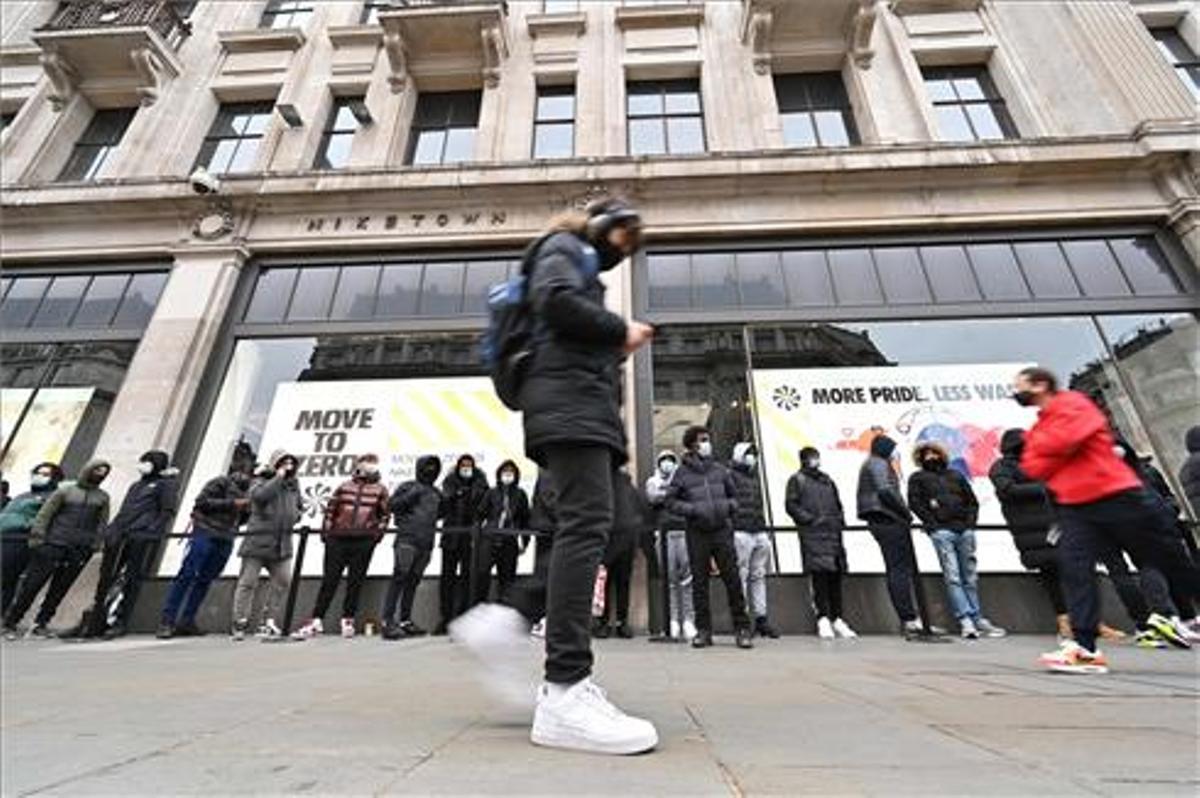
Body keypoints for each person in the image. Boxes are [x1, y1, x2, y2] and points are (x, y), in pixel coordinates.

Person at [449, 197, 658, 755]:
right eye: (620, 235)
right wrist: (621, 331)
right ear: (598, 226)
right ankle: (566, 688)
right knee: (589, 524)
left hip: (580, 405)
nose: (623, 248)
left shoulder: (583, 262)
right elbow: (556, 301)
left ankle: (508, 618)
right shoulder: (563, 247)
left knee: (618, 525)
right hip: (567, 403)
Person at [1014, 367, 1199, 674]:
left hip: (1116, 496)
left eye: (1020, 386)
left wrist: (1056, 449)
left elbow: (1071, 437)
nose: (1016, 392)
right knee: (1076, 571)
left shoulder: (1074, 403)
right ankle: (1086, 649)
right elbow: (1033, 465)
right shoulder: (1040, 424)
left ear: (1040, 384)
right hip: (1076, 506)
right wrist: (1060, 449)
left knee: (1170, 563)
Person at [906, 441, 1005, 640]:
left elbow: (972, 501)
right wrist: (933, 524)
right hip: (942, 533)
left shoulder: (956, 475)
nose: (931, 457)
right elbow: (915, 503)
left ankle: (977, 618)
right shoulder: (917, 478)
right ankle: (965, 620)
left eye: (935, 452)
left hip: (964, 531)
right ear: (920, 457)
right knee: (953, 577)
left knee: (969, 577)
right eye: (926, 454)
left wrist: (970, 523)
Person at [3, 459, 111, 639]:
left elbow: (102, 523)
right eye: (97, 469)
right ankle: (11, 622)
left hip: (79, 548)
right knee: (32, 585)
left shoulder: (102, 497)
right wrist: (38, 539)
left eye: (104, 471)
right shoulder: (65, 491)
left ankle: (42, 623)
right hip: (53, 544)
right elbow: (46, 514)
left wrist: (95, 544)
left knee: (59, 589)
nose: (100, 473)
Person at [668, 426, 754, 651]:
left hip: (722, 531)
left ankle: (742, 629)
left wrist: (728, 507)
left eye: (707, 439)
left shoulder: (720, 470)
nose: (707, 443)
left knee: (733, 580)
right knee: (699, 583)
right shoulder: (681, 473)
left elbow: (734, 497)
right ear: (692, 445)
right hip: (697, 533)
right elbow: (671, 502)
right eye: (703, 440)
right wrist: (693, 510)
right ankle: (703, 631)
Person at [293, 454, 389, 640]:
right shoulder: (345, 486)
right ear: (358, 465)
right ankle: (316, 620)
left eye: (372, 463)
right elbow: (331, 510)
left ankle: (348, 620)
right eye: (365, 462)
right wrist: (327, 534)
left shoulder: (381, 490)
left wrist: (375, 537)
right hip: (338, 539)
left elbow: (385, 515)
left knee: (355, 581)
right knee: (329, 580)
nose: (368, 466)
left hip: (363, 541)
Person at [88, 450, 179, 639]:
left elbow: (167, 511)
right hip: (120, 535)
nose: (143, 465)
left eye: (148, 462)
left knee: (131, 578)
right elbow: (125, 510)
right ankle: (95, 619)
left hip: (140, 536)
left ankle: (119, 620)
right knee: (107, 578)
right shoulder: (136, 485)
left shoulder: (165, 485)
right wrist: (112, 530)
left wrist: (149, 532)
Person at [158, 460, 252, 638]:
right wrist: (233, 504)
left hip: (226, 536)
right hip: (206, 531)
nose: (246, 474)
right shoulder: (220, 482)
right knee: (187, 574)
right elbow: (202, 502)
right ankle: (167, 621)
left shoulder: (248, 492)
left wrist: (246, 510)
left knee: (206, 579)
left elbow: (243, 519)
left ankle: (187, 620)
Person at [857, 434, 924, 638]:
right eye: (893, 447)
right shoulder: (877, 463)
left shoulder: (875, 463)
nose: (895, 451)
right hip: (887, 519)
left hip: (885, 519)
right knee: (899, 569)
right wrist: (905, 512)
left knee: (900, 568)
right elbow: (885, 490)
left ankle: (913, 618)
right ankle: (909, 618)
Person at [785, 447, 855, 639]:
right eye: (811, 458)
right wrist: (810, 520)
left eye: (816, 457)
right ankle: (823, 618)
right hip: (813, 535)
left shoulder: (827, 480)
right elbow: (791, 505)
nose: (815, 460)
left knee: (835, 576)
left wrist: (839, 521)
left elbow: (838, 504)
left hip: (832, 534)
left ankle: (838, 618)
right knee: (819, 577)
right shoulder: (797, 480)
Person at [231, 450, 301, 641]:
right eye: (284, 462)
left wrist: (295, 515)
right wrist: (277, 478)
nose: (288, 466)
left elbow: (299, 506)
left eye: (291, 462)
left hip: (282, 543)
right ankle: (239, 622)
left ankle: (268, 621)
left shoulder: (293, 485)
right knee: (248, 582)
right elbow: (260, 497)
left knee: (283, 580)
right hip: (258, 541)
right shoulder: (260, 481)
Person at [381, 455, 443, 640]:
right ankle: (387, 621)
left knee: (413, 581)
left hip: (426, 543)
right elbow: (391, 506)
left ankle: (405, 620)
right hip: (407, 540)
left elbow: (439, 514)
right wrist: (412, 495)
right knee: (399, 578)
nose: (430, 470)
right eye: (427, 466)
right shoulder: (408, 486)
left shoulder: (436, 492)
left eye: (434, 467)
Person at [1, 463, 65, 615]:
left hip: (20, 539)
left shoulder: (52, 497)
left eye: (45, 474)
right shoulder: (23, 495)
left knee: (5, 578)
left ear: (54, 478)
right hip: (4, 536)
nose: (39, 476)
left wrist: (27, 526)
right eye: (37, 473)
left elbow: (47, 519)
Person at [728, 442, 778, 639]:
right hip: (741, 531)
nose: (752, 457)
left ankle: (761, 619)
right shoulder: (730, 475)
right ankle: (743, 619)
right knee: (741, 575)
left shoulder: (754, 477)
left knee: (758, 575)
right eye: (748, 453)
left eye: (754, 454)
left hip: (759, 530)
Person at [645, 450, 696, 640]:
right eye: (663, 460)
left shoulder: (683, 479)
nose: (667, 463)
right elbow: (653, 496)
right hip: (664, 535)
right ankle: (673, 621)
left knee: (687, 580)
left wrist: (668, 492)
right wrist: (673, 492)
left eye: (671, 460)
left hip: (684, 533)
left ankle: (688, 620)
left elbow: (689, 496)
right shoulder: (652, 480)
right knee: (670, 581)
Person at [438, 454, 488, 633]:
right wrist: (456, 494)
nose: (466, 468)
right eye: (463, 465)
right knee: (447, 580)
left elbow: (483, 506)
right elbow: (443, 505)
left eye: (470, 465)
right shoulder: (450, 482)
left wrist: (470, 492)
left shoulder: (481, 482)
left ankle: (465, 618)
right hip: (451, 538)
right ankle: (446, 619)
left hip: (470, 539)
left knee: (468, 580)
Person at [593, 471, 646, 639]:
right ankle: (606, 622)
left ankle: (618, 622)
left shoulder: (628, 490)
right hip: (609, 544)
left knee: (619, 584)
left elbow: (638, 517)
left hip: (621, 545)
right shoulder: (609, 489)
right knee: (607, 585)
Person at [475, 460, 531, 607]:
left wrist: (525, 542)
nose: (508, 474)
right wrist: (477, 537)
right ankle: (480, 606)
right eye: (504, 471)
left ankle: (503, 610)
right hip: (489, 540)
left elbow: (525, 520)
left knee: (507, 578)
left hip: (509, 541)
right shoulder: (492, 493)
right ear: (499, 474)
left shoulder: (520, 494)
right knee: (482, 574)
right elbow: (480, 514)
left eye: (511, 472)